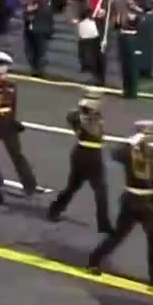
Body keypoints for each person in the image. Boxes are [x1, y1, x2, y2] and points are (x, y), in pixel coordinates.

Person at [86, 120, 153, 288]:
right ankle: (93, 260)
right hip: (132, 200)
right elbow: (113, 153)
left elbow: (150, 175)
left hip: (145, 202)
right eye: (146, 132)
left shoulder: (152, 152)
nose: (149, 135)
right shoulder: (127, 152)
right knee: (119, 236)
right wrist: (130, 143)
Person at [47, 90, 112, 234]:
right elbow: (73, 118)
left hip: (95, 154)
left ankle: (104, 224)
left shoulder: (96, 114)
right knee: (76, 187)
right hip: (83, 154)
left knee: (99, 190)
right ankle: (55, 209)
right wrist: (83, 110)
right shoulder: (81, 116)